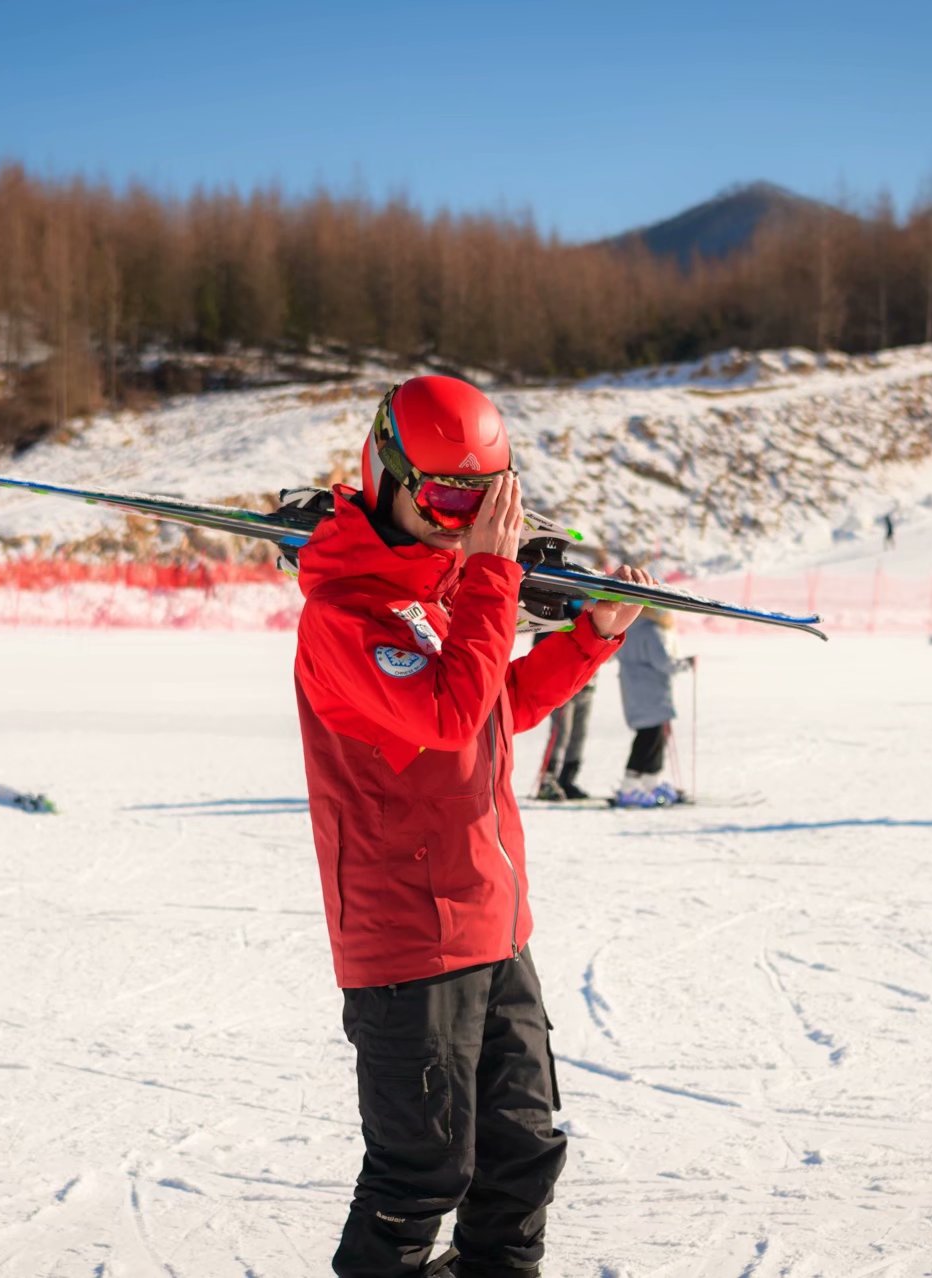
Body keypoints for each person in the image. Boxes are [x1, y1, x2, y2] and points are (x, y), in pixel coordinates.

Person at [292, 375, 650, 1277]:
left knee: (522, 1158)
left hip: (494, 923)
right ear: (384, 470)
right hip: (408, 938)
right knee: (423, 1173)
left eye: (484, 502)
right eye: (448, 498)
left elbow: (494, 706)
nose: (462, 523)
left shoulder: (448, 590)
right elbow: (449, 714)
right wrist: (492, 573)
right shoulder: (345, 618)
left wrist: (589, 637)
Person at [614, 610, 693, 807]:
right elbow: (663, 662)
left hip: (633, 689)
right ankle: (630, 786)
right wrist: (685, 664)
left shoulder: (627, 628)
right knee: (650, 737)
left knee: (652, 735)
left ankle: (649, 782)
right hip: (652, 692)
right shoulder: (650, 631)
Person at [532, 603, 599, 801]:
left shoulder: (592, 618)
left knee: (579, 735)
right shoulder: (559, 616)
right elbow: (543, 647)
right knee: (561, 734)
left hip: (587, 686)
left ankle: (567, 780)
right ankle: (547, 781)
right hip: (564, 687)